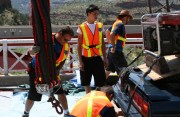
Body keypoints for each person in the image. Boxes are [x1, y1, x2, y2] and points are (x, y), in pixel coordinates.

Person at [22, 26, 74, 117]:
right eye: (65, 39)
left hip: (52, 72)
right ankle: (26, 114)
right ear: (60, 34)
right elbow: (31, 51)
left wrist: (56, 71)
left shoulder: (65, 46)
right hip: (37, 71)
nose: (65, 42)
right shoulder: (46, 39)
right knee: (33, 95)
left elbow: (63, 60)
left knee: (60, 91)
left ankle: (66, 113)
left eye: (68, 41)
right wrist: (32, 50)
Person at [77, 4, 107, 94]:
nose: (96, 16)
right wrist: (80, 61)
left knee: (100, 81)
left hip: (97, 57)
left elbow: (102, 43)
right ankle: (88, 97)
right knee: (86, 81)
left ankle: (98, 97)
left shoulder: (100, 26)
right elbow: (79, 45)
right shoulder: (81, 27)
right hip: (86, 58)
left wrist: (105, 58)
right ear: (88, 14)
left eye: (97, 14)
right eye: (94, 14)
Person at [106, 10, 133, 78]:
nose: (128, 20)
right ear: (125, 17)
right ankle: (123, 88)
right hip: (116, 51)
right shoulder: (120, 24)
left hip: (111, 51)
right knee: (124, 71)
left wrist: (110, 44)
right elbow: (112, 34)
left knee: (108, 70)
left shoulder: (116, 23)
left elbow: (107, 31)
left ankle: (100, 85)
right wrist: (114, 47)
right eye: (129, 18)